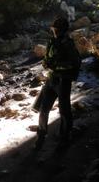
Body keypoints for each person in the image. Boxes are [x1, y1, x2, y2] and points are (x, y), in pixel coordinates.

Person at [33, 16, 81, 150]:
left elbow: (75, 63)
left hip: (63, 80)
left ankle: (64, 137)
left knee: (64, 110)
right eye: (53, 28)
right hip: (51, 79)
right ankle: (41, 135)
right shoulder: (52, 41)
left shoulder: (68, 44)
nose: (53, 30)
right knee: (43, 109)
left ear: (59, 29)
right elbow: (48, 58)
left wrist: (55, 66)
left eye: (55, 29)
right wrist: (46, 63)